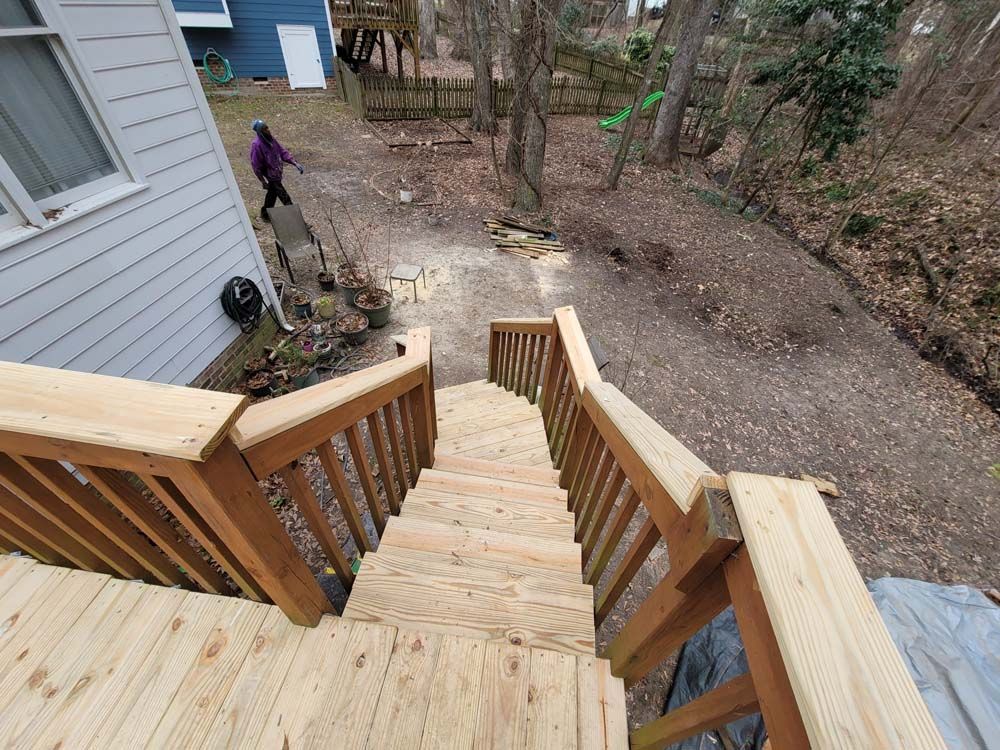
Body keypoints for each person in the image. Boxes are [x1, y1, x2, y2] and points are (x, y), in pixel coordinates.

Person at [249, 119, 304, 222]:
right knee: (285, 198)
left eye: (267, 127)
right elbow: (256, 165)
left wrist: (294, 163)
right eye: (265, 129)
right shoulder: (256, 145)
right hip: (271, 176)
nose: (268, 130)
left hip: (277, 172)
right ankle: (299, 222)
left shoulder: (271, 140)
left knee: (272, 195)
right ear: (259, 132)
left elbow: (282, 152)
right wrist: (263, 181)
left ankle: (265, 215)